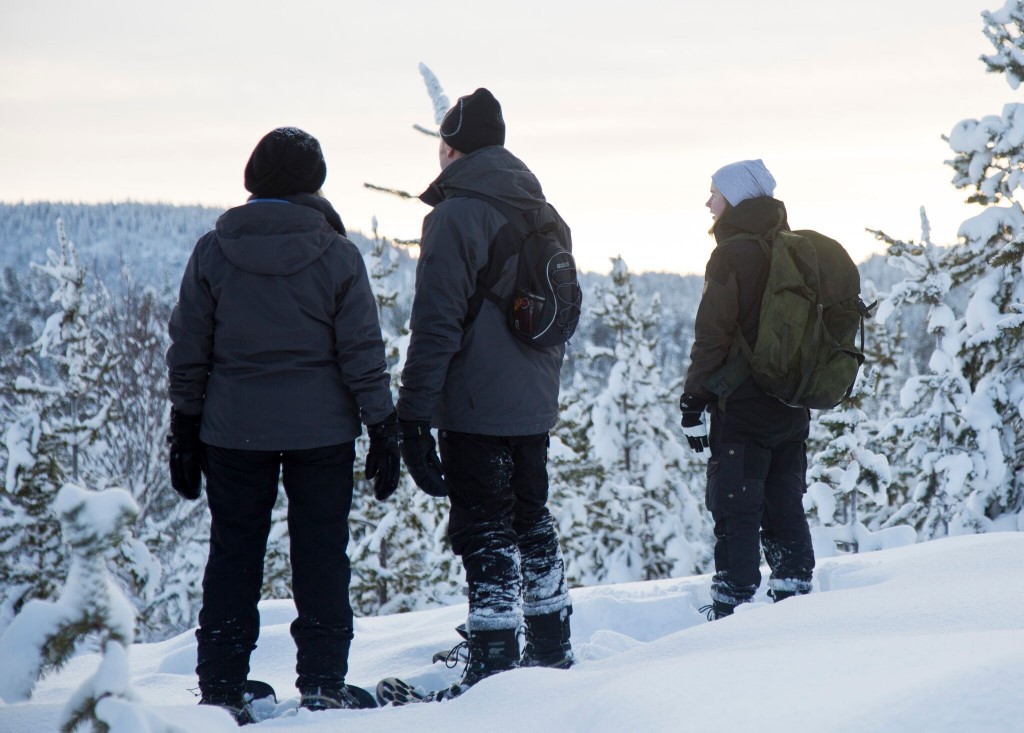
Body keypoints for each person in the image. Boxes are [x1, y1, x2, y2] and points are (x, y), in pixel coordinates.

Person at [166, 127, 399, 723]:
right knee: (321, 553)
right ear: (314, 183)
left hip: (232, 430)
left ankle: (221, 685)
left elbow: (189, 346)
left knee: (233, 553)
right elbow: (362, 354)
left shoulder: (213, 251)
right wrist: (383, 427)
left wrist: (184, 424)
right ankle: (322, 682)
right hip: (321, 432)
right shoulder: (338, 254)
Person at [397, 88, 574, 700]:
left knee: (484, 528)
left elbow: (437, 323)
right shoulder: (545, 212)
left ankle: (495, 667)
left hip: (475, 402)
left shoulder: (454, 216)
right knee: (530, 519)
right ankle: (552, 647)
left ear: (451, 148)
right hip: (532, 403)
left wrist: (414, 416)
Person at [679, 159, 815, 620]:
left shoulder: (731, 254)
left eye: (714, 191)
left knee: (736, 511)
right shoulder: (792, 247)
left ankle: (732, 612)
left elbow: (712, 334)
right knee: (784, 506)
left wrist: (694, 398)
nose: (708, 201)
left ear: (735, 198)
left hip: (742, 408)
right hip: (792, 404)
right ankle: (794, 602)